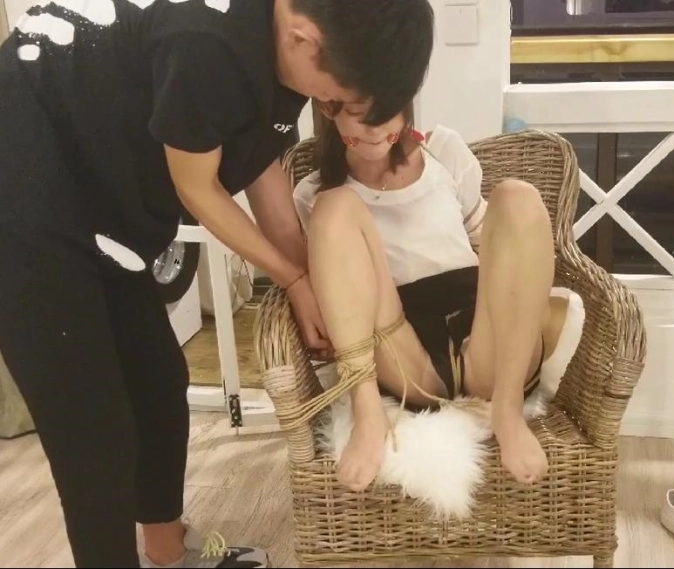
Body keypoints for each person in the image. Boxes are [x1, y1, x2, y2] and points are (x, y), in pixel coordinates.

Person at [0, 0, 434, 567]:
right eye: (338, 101)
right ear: (303, 39)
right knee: (94, 431)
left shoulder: (290, 52)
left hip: (106, 208)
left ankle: (167, 552)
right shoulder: (207, 45)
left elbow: (260, 168)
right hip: (23, 199)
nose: (334, 112)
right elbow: (198, 188)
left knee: (160, 382)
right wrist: (292, 278)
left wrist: (321, 286)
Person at [292, 99, 572, 493]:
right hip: (404, 351)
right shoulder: (313, 192)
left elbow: (486, 237)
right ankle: (367, 412)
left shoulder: (443, 150)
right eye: (358, 113)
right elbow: (338, 285)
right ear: (328, 107)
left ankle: (508, 410)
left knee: (517, 196)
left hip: (485, 337)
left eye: (385, 111)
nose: (374, 128)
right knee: (334, 206)